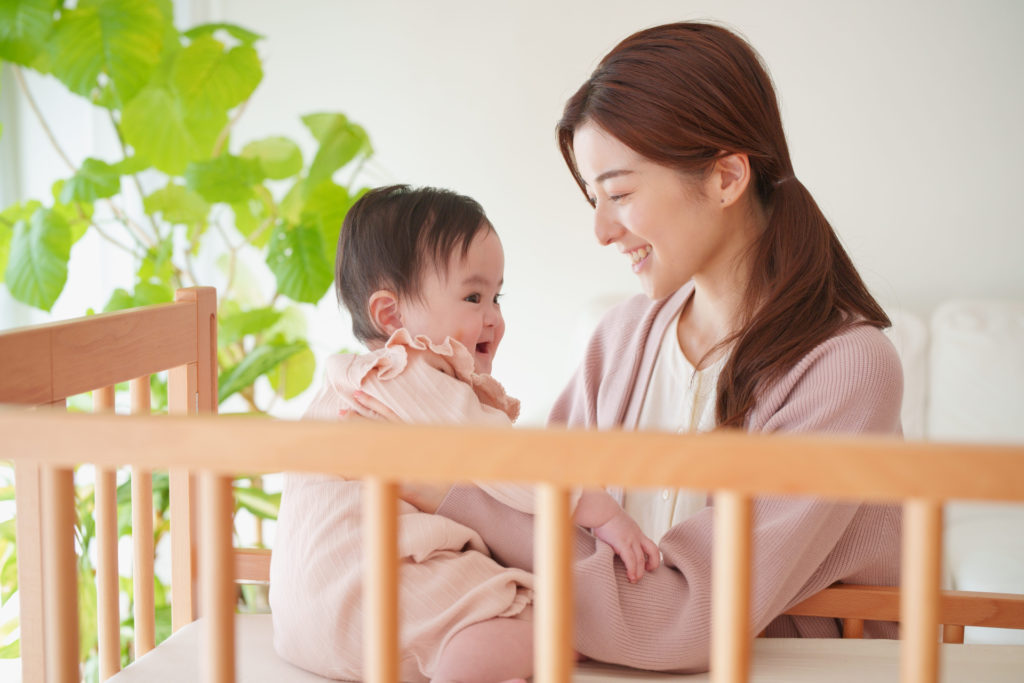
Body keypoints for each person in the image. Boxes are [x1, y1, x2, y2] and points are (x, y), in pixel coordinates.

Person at [373, 22, 904, 673]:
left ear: (726, 177)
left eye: (620, 193)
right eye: (594, 199)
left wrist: (453, 492)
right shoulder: (622, 336)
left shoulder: (847, 368)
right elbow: (538, 510)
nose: (601, 230)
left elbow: (682, 618)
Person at [268, 185, 659, 683]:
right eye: (473, 296)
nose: (494, 316)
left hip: (305, 618)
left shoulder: (353, 386)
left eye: (497, 296)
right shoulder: (407, 372)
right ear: (391, 317)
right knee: (541, 626)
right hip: (371, 594)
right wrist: (603, 513)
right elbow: (513, 463)